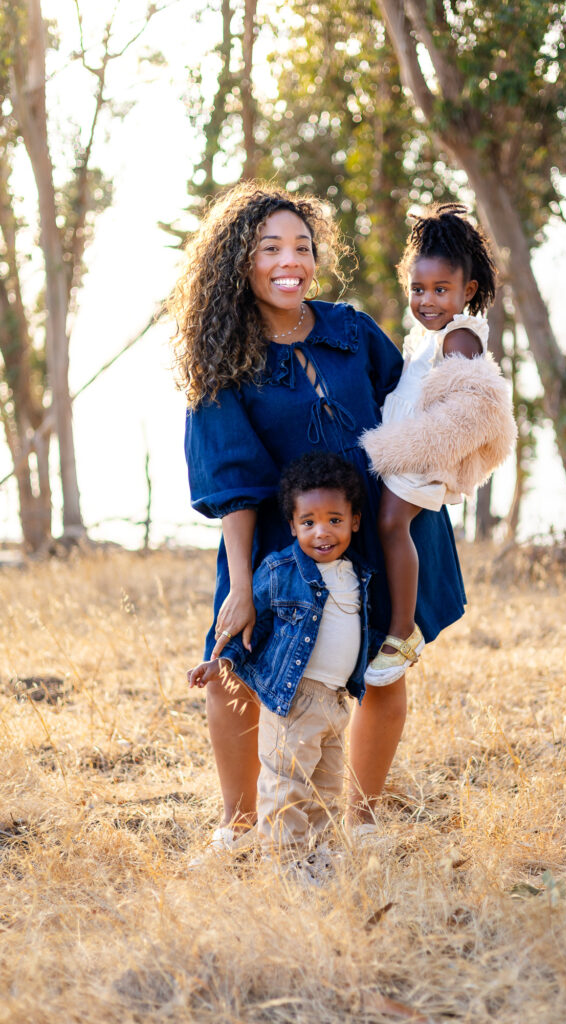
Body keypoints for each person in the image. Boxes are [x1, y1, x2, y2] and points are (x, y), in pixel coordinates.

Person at [169, 181, 468, 853]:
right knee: (233, 667)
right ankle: (239, 827)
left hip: (373, 528)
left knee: (381, 667)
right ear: (239, 261)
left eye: (302, 247)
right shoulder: (221, 359)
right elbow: (234, 483)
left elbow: (413, 402)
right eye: (270, 248)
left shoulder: (351, 331)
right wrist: (241, 585)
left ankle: (360, 821)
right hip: (283, 543)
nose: (290, 262)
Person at [188, 453, 372, 879]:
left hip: (336, 703)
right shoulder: (279, 571)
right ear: (292, 526)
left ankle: (318, 860)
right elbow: (253, 626)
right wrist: (221, 662)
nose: (322, 532)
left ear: (355, 522)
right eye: (308, 522)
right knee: (286, 785)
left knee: (326, 790)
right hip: (293, 700)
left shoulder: (358, 574)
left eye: (334, 520)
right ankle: (282, 868)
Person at [361, 203, 517, 685]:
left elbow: (473, 411)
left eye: (441, 290)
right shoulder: (427, 335)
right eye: (418, 289)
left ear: (467, 291)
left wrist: (405, 445)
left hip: (421, 454)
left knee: (391, 523)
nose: (427, 300)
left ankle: (402, 632)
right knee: (385, 526)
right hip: (406, 449)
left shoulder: (460, 337)